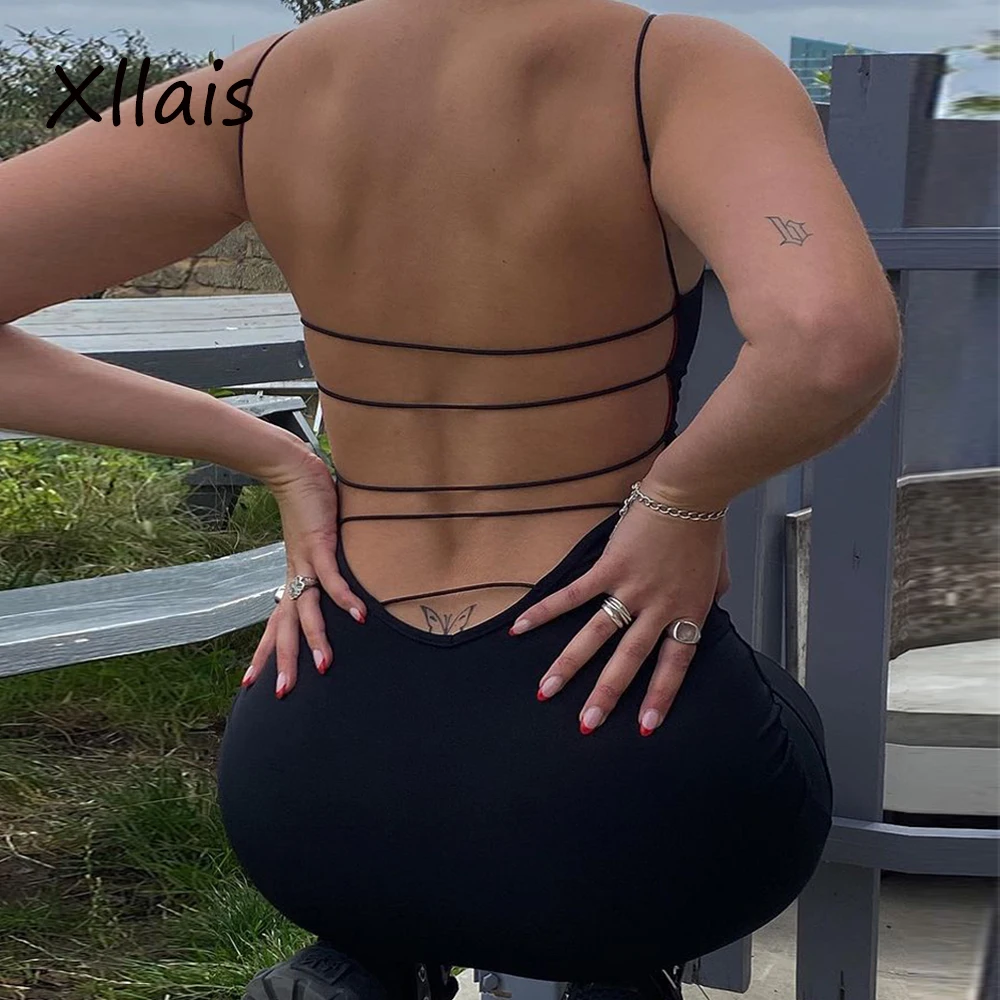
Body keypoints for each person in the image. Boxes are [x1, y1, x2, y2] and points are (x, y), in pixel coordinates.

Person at [0, 1, 902, 998]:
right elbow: (828, 340)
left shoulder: (246, 90)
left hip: (315, 778)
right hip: (623, 779)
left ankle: (361, 965)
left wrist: (271, 454)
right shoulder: (677, 65)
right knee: (784, 717)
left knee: (377, 908)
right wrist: (681, 500)